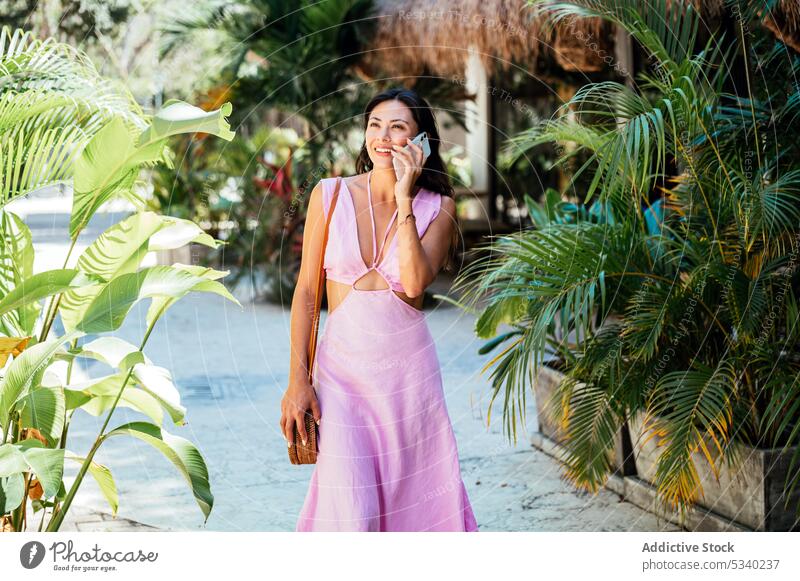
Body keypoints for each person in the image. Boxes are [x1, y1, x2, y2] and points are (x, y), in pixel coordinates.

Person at [281, 87, 478, 532]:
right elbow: (308, 294)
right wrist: (298, 381)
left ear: (421, 140)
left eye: (398, 127)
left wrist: (406, 196)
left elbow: (412, 282)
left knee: (415, 510)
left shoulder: (439, 207)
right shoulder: (329, 195)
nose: (383, 137)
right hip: (341, 382)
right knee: (352, 511)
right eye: (375, 125)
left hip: (408, 384)